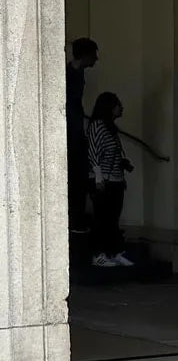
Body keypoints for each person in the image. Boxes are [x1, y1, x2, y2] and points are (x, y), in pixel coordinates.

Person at [87, 92, 135, 267]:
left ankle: (113, 252)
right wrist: (98, 178)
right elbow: (93, 152)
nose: (121, 107)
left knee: (113, 219)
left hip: (116, 180)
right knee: (102, 219)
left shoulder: (111, 128)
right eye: (117, 104)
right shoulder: (97, 126)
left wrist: (122, 166)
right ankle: (98, 254)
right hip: (103, 181)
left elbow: (111, 153)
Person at [66, 37, 98, 231]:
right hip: (72, 133)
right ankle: (74, 219)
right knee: (77, 175)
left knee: (81, 175)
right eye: (94, 55)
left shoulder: (77, 72)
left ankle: (77, 217)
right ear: (86, 55)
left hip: (76, 130)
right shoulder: (70, 74)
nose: (96, 59)